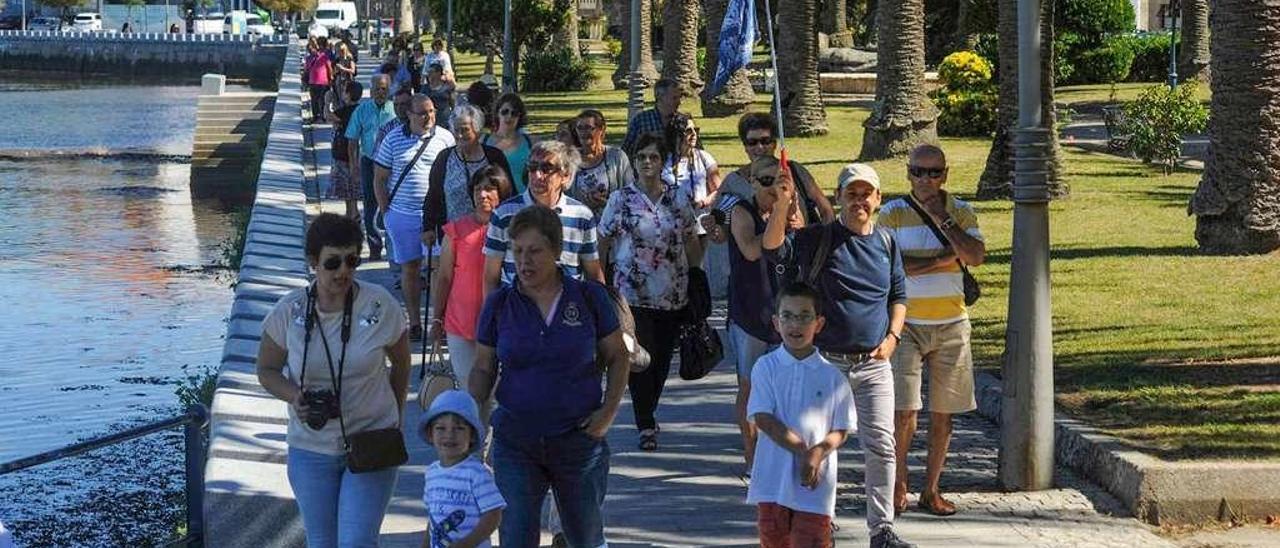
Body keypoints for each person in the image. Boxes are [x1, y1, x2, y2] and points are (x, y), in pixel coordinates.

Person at [761, 163, 916, 548]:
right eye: (852, 193)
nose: (859, 201)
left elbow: (899, 295)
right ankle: (814, 520)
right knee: (818, 444)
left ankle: (881, 529)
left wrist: (894, 337)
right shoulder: (818, 238)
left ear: (878, 200)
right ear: (839, 197)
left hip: (874, 363)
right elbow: (772, 247)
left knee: (881, 445)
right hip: (826, 363)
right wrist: (782, 204)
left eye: (867, 194)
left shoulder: (887, 242)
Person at [468, 205, 630, 548]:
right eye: (518, 251)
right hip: (516, 440)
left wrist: (608, 412)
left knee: (584, 538)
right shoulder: (499, 304)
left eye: (535, 251)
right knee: (515, 536)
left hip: (578, 438)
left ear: (556, 251)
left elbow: (618, 356)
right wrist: (466, 409)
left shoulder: (588, 297)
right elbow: (484, 367)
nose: (524, 261)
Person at [256, 213, 412, 548]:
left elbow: (401, 362)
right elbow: (266, 370)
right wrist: (294, 396)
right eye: (333, 263)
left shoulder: (380, 305)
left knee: (356, 542)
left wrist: (397, 415)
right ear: (313, 262)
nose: (343, 271)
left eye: (352, 261)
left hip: (372, 440)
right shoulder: (290, 311)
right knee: (322, 542)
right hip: (311, 449)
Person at [878, 145, 986, 517]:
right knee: (903, 412)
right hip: (905, 324)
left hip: (952, 323)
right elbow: (892, 266)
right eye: (919, 172)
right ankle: (899, 485)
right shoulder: (891, 214)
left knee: (945, 412)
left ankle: (932, 489)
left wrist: (943, 219)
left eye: (934, 172)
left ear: (945, 174)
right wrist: (942, 260)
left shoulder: (961, 211)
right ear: (908, 173)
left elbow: (974, 256)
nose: (926, 179)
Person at [598, 133, 703, 451]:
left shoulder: (676, 197)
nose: (647, 162)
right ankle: (645, 422)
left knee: (660, 360)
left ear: (662, 162)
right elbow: (603, 240)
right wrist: (603, 280)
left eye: (653, 157)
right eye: (641, 157)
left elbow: (691, 238)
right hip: (632, 294)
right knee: (638, 357)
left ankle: (650, 409)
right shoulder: (621, 199)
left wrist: (695, 273)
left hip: (672, 292)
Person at [748, 283, 856, 548]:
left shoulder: (832, 376)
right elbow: (762, 417)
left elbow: (841, 428)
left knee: (811, 540)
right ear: (776, 321)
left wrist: (817, 454)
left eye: (804, 316)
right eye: (787, 315)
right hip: (772, 481)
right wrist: (801, 451)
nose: (795, 324)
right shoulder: (766, 367)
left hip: (815, 487)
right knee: (774, 541)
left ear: (818, 323)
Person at [373, 94, 457, 340]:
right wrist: (387, 212)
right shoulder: (392, 139)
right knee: (409, 269)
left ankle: (437, 322)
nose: (428, 117)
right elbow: (379, 178)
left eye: (431, 111)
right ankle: (414, 322)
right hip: (403, 216)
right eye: (422, 113)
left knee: (438, 269)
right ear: (408, 114)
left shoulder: (445, 138)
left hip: (436, 217)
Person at [482, 140, 605, 296]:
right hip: (517, 309)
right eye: (532, 168)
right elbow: (490, 276)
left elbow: (593, 274)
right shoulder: (504, 214)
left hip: (567, 310)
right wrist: (491, 316)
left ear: (566, 175)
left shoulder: (582, 216)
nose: (537, 175)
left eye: (547, 168)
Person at [427, 167, 511, 383]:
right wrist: (437, 319)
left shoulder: (513, 229)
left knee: (499, 390)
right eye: (477, 189)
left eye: (490, 189)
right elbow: (444, 277)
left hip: (502, 323)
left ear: (502, 192)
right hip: (461, 323)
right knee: (468, 387)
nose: (482, 194)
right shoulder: (455, 230)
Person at [418, 390, 505, 548]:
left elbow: (493, 515)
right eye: (440, 428)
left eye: (459, 428)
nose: (449, 435)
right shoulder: (432, 472)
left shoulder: (477, 473)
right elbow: (432, 518)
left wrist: (467, 544)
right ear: (430, 434)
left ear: (472, 435)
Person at [718, 113, 835, 226]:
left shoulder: (794, 170)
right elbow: (719, 222)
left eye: (765, 141)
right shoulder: (732, 182)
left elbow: (826, 209)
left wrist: (825, 238)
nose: (759, 147)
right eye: (752, 142)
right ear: (745, 147)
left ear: (774, 144)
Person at [424, 105, 514, 230]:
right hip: (453, 233)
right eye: (456, 130)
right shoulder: (444, 158)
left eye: (465, 130)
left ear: (477, 131)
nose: (460, 135)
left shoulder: (494, 157)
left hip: (491, 231)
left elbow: (508, 192)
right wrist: (428, 228)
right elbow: (433, 195)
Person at [345, 74, 398, 260]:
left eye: (384, 89)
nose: (381, 92)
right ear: (371, 90)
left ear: (389, 89)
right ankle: (375, 246)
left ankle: (393, 244)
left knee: (392, 203)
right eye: (377, 89)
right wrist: (354, 165)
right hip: (369, 161)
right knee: (370, 204)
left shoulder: (395, 110)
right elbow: (352, 140)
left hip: (393, 164)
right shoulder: (361, 110)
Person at [569, 109, 632, 216]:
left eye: (589, 128)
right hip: (578, 223)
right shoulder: (569, 159)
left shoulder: (617, 157)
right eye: (579, 128)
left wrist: (607, 203)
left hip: (611, 222)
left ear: (601, 129)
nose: (583, 133)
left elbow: (630, 192)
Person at [663, 112, 721, 216]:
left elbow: (719, 191)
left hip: (701, 223)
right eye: (689, 131)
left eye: (696, 130)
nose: (694, 134)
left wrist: (703, 203)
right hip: (671, 224)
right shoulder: (663, 161)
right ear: (677, 134)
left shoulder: (704, 158)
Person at [482, 93, 534, 194]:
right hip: (493, 198)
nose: (509, 116)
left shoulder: (529, 141)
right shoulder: (484, 141)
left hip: (523, 199)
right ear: (497, 113)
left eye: (514, 113)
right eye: (505, 112)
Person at [327, 81, 364, 220]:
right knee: (350, 188)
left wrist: (327, 102)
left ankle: (353, 215)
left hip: (345, 155)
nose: (342, 94)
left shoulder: (346, 111)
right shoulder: (360, 109)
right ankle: (351, 214)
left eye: (344, 91)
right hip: (352, 154)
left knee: (348, 187)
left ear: (348, 94)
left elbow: (329, 116)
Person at [620, 78, 681, 156]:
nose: (679, 102)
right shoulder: (641, 120)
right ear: (659, 96)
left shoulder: (682, 121)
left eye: (679, 97)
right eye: (674, 98)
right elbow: (625, 151)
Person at [305, 39, 334, 121]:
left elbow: (329, 68)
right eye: (310, 49)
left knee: (322, 100)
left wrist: (331, 78)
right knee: (314, 100)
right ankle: (315, 115)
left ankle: (323, 115)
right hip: (313, 82)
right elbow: (307, 70)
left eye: (313, 48)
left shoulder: (324, 57)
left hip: (323, 82)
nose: (311, 50)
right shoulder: (308, 58)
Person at [424, 63, 456, 130]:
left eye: (432, 72)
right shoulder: (425, 88)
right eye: (428, 72)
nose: (429, 74)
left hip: (445, 119)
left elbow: (453, 102)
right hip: (430, 118)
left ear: (438, 73)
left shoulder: (447, 87)